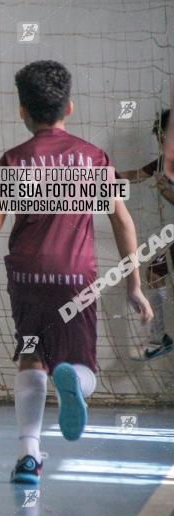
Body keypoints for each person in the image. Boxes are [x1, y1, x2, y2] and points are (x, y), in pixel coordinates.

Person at [0, 60, 153, 484]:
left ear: (22, 112)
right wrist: (134, 285)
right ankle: (75, 382)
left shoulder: (13, 160)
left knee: (31, 356)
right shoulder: (94, 158)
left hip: (27, 278)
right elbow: (123, 222)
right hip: (75, 279)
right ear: (69, 107)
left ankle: (28, 458)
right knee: (81, 366)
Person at [120, 109, 174, 359]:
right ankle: (158, 338)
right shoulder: (165, 163)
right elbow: (137, 175)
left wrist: (169, 195)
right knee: (154, 273)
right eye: (161, 140)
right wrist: (105, 176)